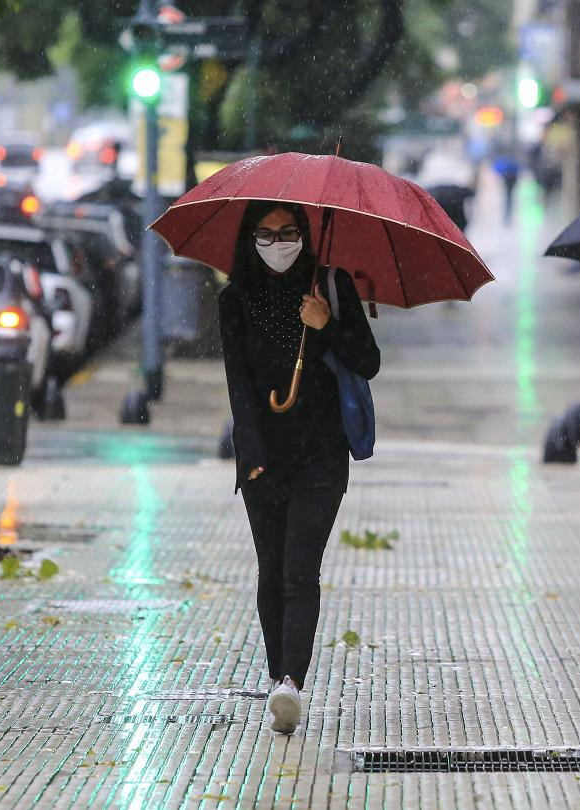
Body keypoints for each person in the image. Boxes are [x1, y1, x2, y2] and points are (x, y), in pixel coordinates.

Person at [218, 201, 380, 734]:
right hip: (264, 456)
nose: (278, 241)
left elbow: (368, 361)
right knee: (270, 573)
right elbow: (239, 387)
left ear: (305, 235)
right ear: (250, 238)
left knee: (298, 570)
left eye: (288, 232)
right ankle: (276, 677)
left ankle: (290, 681)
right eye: (266, 233)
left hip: (322, 454)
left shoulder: (329, 286)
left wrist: (327, 324)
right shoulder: (235, 299)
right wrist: (253, 455)